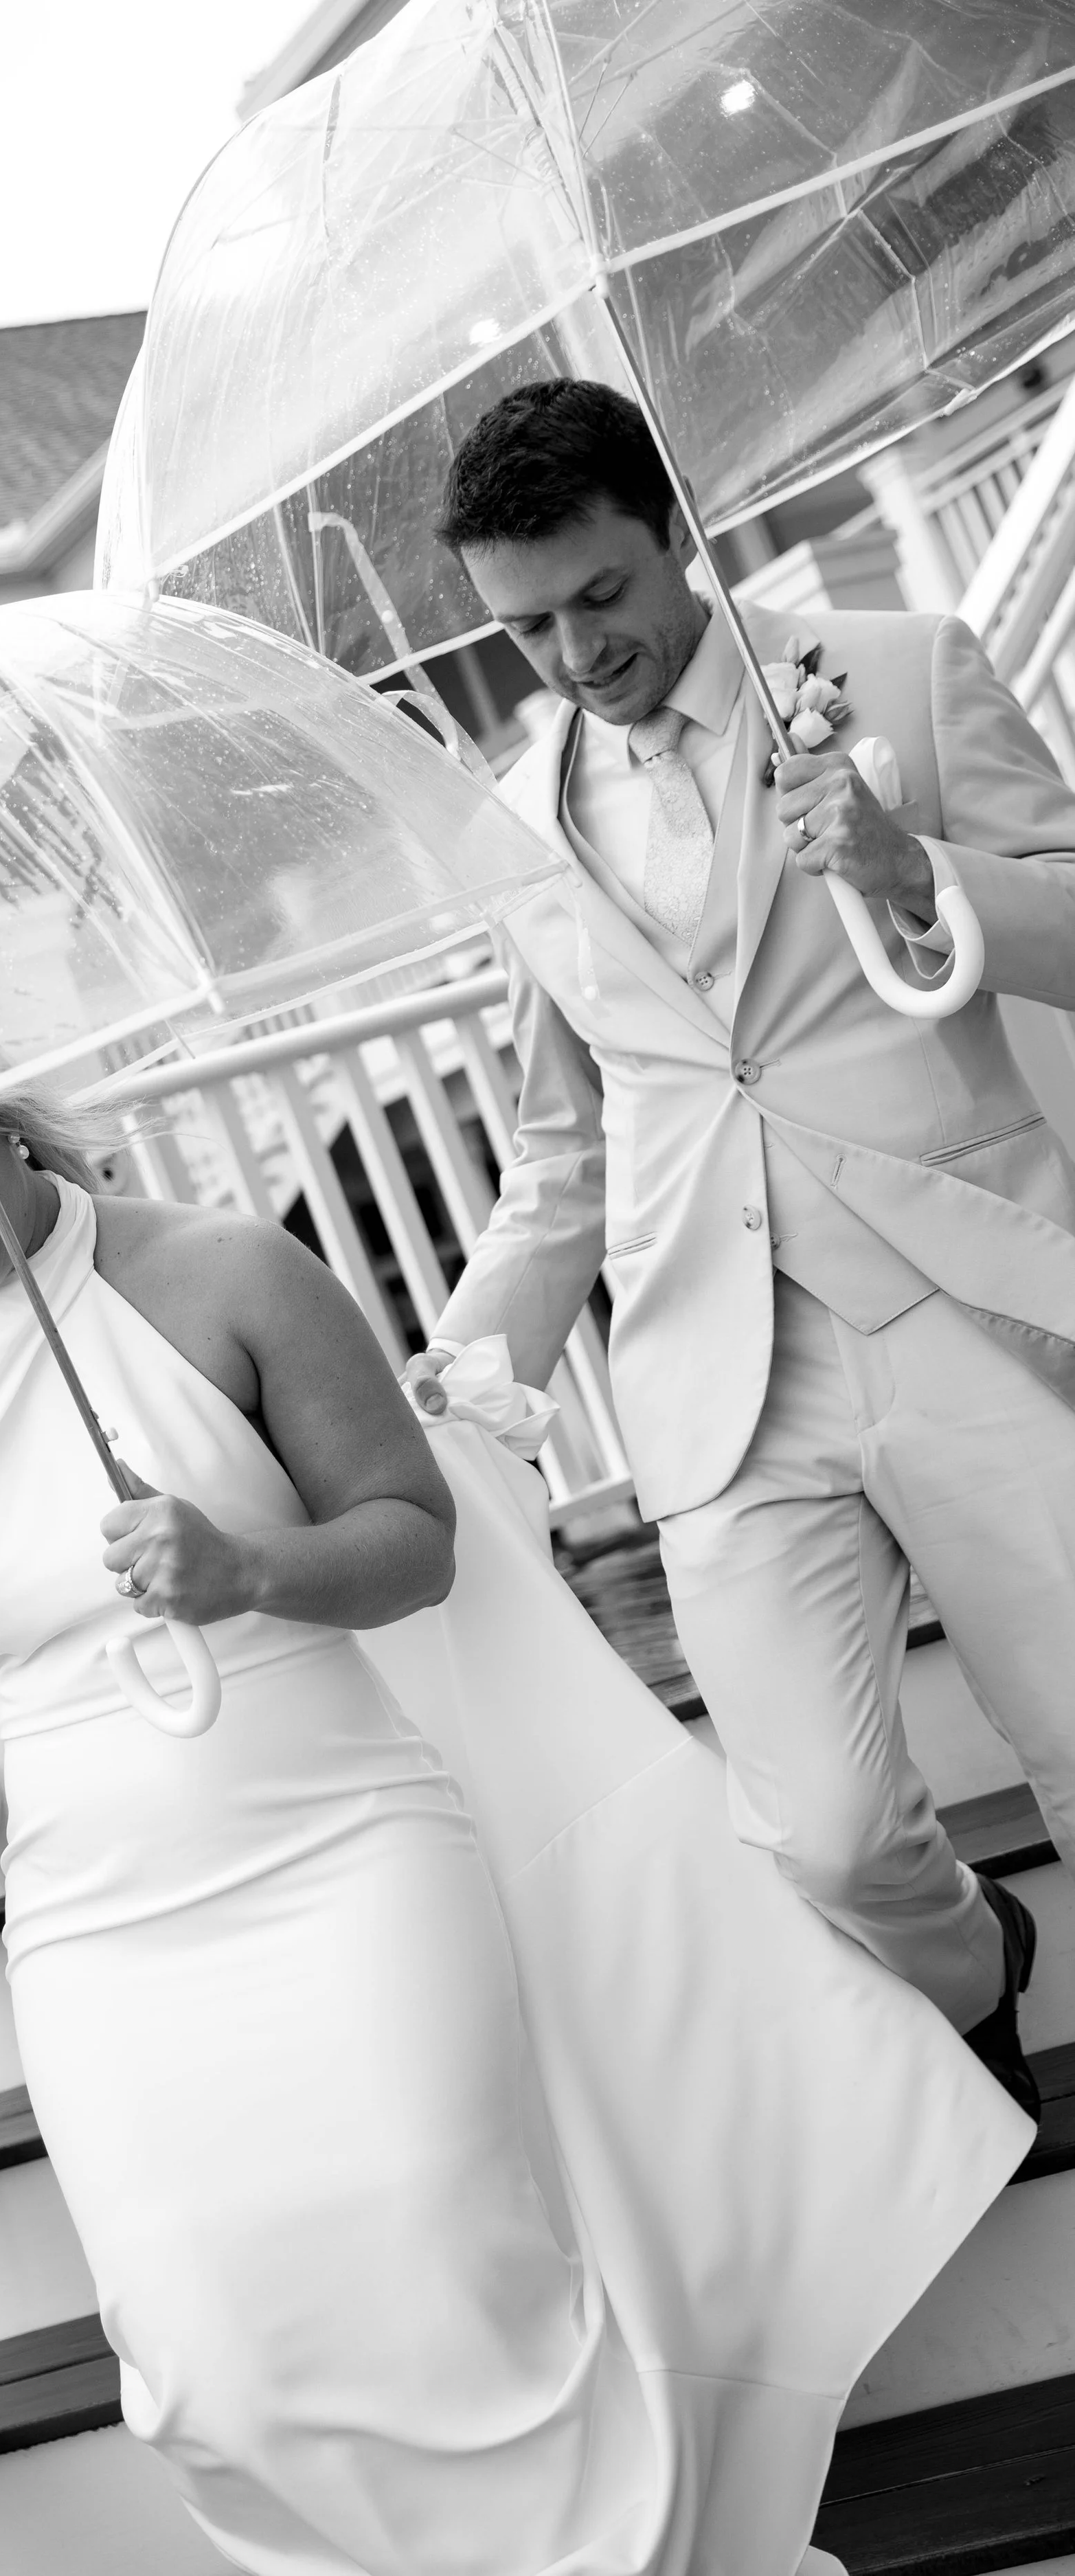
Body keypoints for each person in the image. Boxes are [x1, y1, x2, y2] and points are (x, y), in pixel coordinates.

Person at [0, 981, 1024, 2576]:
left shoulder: (224, 1275)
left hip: (339, 1860)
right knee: (211, 2361)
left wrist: (245, 1568)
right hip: (99, 1929)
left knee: (450, 2270)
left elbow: (407, 1543)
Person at [405, 377, 1075, 2119]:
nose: (570, 652)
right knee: (830, 1841)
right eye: (524, 626)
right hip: (715, 1369)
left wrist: (911, 868)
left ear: (670, 533)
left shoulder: (899, 671)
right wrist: (481, 1358)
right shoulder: (509, 822)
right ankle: (976, 1961)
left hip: (973, 1301)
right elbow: (569, 1139)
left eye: (600, 597)